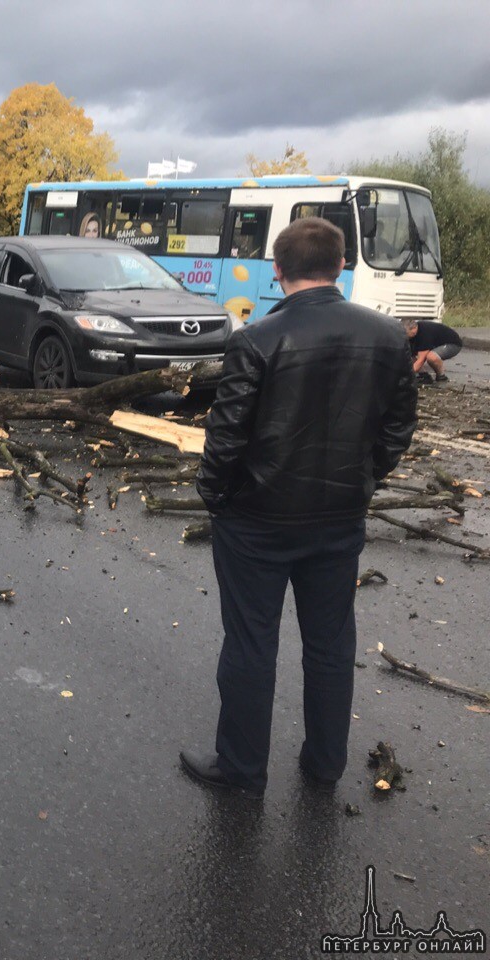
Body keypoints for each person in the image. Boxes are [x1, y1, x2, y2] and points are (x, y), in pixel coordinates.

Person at [182, 217, 417, 801]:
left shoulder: (256, 339)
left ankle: (240, 769)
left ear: (277, 270)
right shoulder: (388, 338)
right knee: (332, 644)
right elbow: (398, 427)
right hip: (339, 519)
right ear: (340, 266)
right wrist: (363, 480)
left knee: (251, 643)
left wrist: (219, 499)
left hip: (258, 520)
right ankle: (325, 763)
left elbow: (226, 437)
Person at [403, 319, 462, 384]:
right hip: (435, 344)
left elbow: (421, 360)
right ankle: (424, 376)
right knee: (408, 353)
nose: (404, 336)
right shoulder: (412, 334)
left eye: (406, 333)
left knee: (431, 357)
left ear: (414, 329)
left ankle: (441, 376)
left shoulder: (424, 333)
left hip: (452, 344)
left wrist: (406, 377)